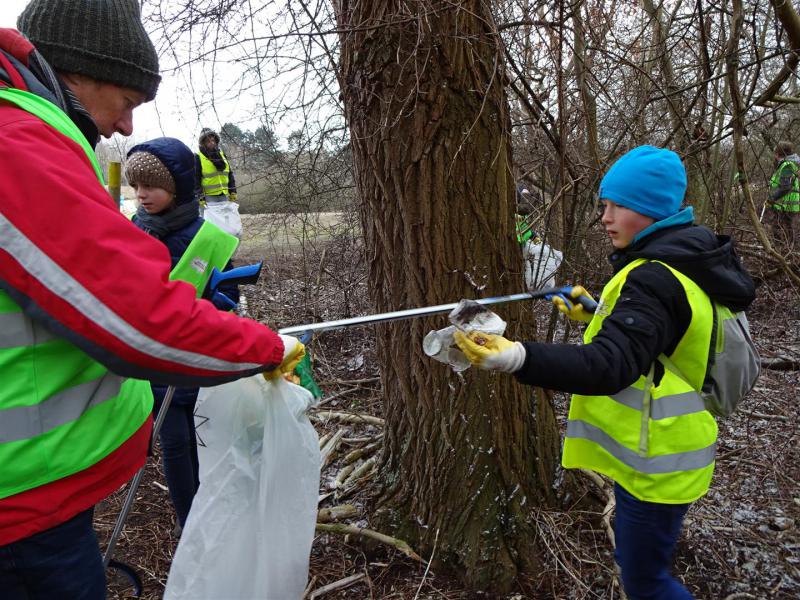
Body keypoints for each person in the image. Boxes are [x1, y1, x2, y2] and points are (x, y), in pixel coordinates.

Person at [0, 2, 303, 599]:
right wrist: (266, 348)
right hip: (23, 519)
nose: (125, 127)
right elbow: (139, 321)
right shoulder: (17, 146)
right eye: (129, 101)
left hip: (37, 500)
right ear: (80, 74)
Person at [453, 146, 756, 600]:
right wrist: (597, 312)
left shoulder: (653, 276)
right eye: (603, 204)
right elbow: (666, 337)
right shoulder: (689, 258)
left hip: (658, 462)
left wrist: (517, 357)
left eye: (618, 206)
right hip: (670, 449)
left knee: (645, 581)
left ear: (652, 210)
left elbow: (609, 366)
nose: (605, 217)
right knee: (642, 570)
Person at [126, 137, 240, 535]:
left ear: (177, 186)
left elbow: (227, 299)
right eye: (136, 185)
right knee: (173, 444)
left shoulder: (205, 239)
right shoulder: (131, 232)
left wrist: (211, 312)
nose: (142, 194)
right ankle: (188, 520)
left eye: (151, 186)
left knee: (204, 440)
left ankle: (214, 508)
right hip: (153, 365)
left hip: (195, 363)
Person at [766, 140, 800, 248]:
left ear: (779, 153)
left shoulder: (787, 165)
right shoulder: (788, 164)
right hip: (784, 203)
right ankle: (786, 249)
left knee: (781, 227)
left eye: (776, 152)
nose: (775, 155)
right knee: (787, 228)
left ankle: (783, 250)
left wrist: (772, 198)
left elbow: (785, 187)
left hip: (786, 204)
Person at [196, 127, 237, 203]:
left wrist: (233, 191)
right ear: (203, 143)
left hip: (224, 195)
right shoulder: (198, 157)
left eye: (213, 140)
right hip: (208, 197)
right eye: (208, 141)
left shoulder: (222, 155)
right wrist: (200, 196)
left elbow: (229, 174)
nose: (212, 143)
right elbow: (196, 179)